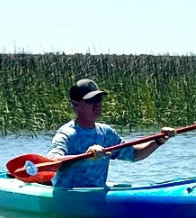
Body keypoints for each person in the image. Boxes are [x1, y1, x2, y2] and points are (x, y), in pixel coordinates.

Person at [47, 79, 176, 188]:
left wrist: (158, 141)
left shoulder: (106, 133)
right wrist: (86, 156)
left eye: (98, 99)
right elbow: (52, 163)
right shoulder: (67, 134)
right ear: (75, 105)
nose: (97, 104)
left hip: (97, 196)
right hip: (69, 197)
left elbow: (135, 154)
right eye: (90, 100)